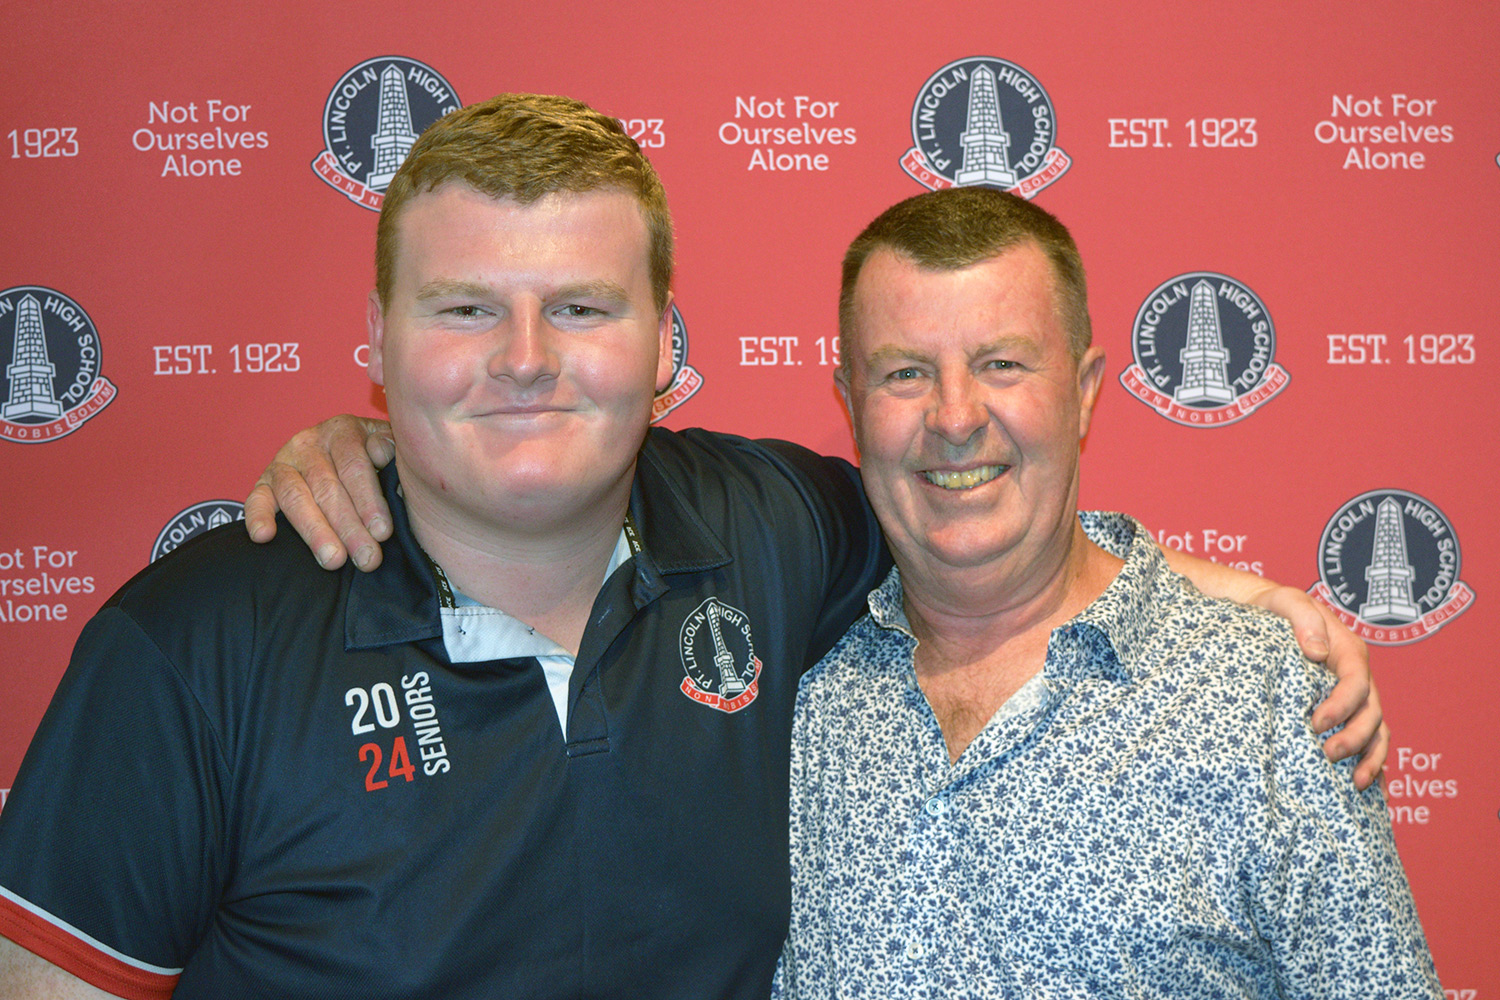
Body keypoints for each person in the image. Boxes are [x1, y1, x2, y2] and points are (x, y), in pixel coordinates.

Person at [0, 94, 1381, 999]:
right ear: (378, 342)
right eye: (465, 311)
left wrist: (1213, 600)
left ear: (665, 344)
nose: (525, 360)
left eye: (582, 309)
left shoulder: (767, 532)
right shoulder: (190, 647)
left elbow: (969, 505)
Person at [775, 187, 1439, 997]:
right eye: (905, 373)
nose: (954, 417)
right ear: (850, 400)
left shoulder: (1266, 697)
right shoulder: (785, 691)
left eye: (1002, 364)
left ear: (1085, 388)